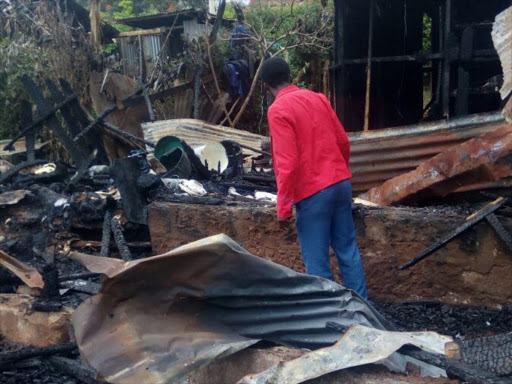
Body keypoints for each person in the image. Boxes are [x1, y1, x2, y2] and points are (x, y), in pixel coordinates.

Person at [261, 57, 368, 299]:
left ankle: (328, 318)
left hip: (313, 194)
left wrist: (283, 207)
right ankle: (364, 312)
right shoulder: (318, 98)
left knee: (317, 264)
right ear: (290, 76)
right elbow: (343, 141)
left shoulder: (278, 110)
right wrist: (337, 172)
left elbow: (286, 163)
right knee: (348, 251)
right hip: (340, 185)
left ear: (266, 86)